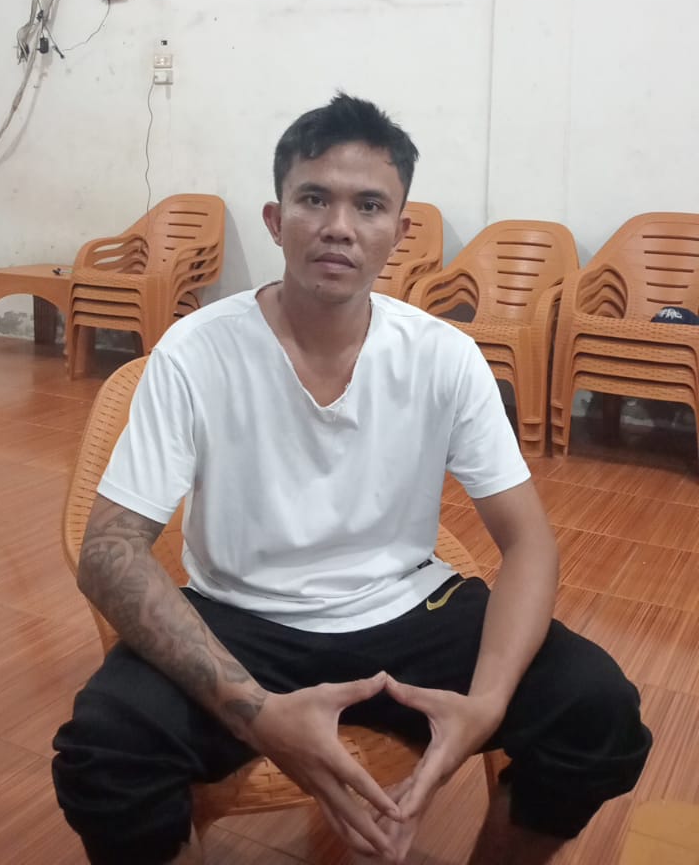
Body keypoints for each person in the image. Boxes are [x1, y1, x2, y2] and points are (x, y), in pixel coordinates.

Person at [52, 94, 651, 865]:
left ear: (398, 232)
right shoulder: (196, 352)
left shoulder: (442, 356)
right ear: (276, 221)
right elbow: (109, 550)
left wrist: (485, 706)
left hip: (409, 612)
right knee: (105, 752)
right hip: (243, 618)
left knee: (597, 710)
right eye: (314, 199)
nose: (339, 225)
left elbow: (528, 542)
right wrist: (255, 711)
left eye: (369, 205)